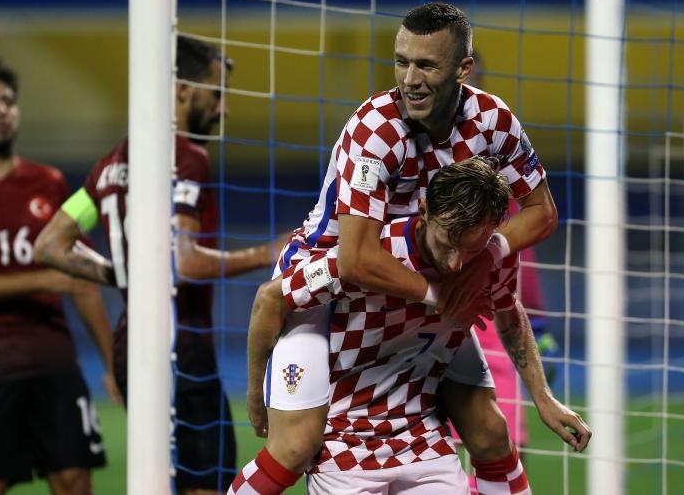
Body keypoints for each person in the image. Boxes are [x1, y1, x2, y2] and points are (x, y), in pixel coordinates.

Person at [233, 1, 560, 489]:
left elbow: (542, 212)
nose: (411, 79)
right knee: (297, 445)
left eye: (426, 65)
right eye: (401, 62)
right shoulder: (376, 130)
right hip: (328, 282)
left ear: (463, 69)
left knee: (490, 433)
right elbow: (356, 259)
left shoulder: (493, 121)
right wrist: (441, 295)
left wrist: (482, 260)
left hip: (423, 275)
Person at [231, 159, 590, 494]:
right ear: (424, 211)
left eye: (470, 250)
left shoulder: (491, 257)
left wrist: (544, 399)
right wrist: (256, 396)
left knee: (492, 430)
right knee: (292, 449)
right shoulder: (368, 256)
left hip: (423, 433)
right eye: (447, 244)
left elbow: (510, 317)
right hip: (345, 434)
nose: (456, 265)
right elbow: (269, 298)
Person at [34, 36, 284, 495]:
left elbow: (49, 245)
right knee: (204, 485)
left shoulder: (109, 166)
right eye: (216, 94)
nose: (224, 109)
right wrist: (267, 252)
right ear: (183, 91)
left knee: (155, 479)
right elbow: (184, 260)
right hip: (180, 346)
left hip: (129, 345)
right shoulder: (186, 157)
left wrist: (120, 273)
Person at [0, 61, 115, 494]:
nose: (0, 110)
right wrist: (45, 280)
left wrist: (112, 365)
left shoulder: (47, 182)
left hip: (54, 360)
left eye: (8, 101)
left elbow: (81, 282)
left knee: (75, 481)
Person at [456, 50, 560, 455]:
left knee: (507, 448)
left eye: (474, 78)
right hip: (426, 312)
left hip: (491, 316)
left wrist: (538, 322)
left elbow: (520, 251)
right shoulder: (405, 146)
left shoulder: (499, 152)